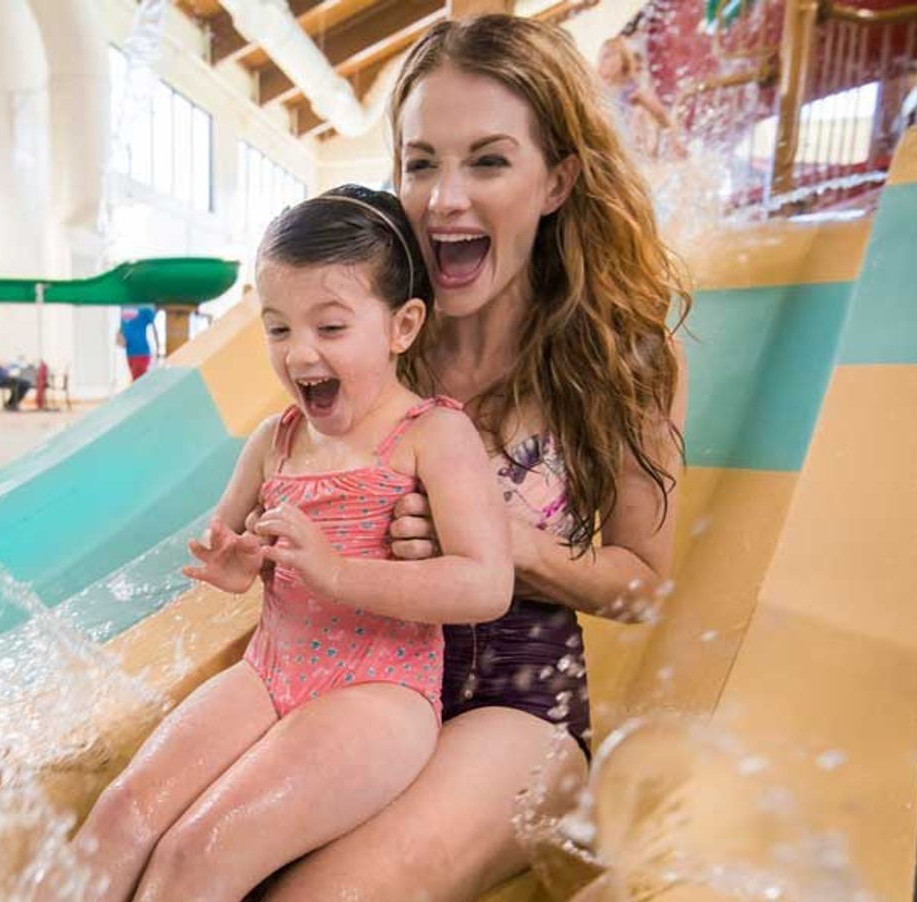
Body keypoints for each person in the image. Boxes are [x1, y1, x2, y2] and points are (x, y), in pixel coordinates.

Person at [262, 17, 690, 900]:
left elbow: (644, 588)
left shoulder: (624, 359)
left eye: (488, 162)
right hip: (363, 673)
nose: (444, 199)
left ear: (556, 180)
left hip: (517, 706)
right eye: (421, 163)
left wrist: (504, 543)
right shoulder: (366, 341)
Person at [55, 185, 514, 901]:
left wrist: (337, 572)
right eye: (277, 328)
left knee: (200, 850)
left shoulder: (432, 434)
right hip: (269, 672)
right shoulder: (276, 440)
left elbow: (486, 585)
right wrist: (232, 565)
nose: (299, 353)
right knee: (121, 816)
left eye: (329, 327)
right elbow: (230, 541)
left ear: (402, 326)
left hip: (379, 693)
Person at [597, 35, 684, 159]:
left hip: (636, 152)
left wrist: (674, 142)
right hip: (620, 152)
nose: (600, 63)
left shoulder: (633, 91)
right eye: (600, 58)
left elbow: (661, 115)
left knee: (638, 117)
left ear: (621, 61)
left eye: (606, 56)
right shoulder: (603, 92)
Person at [116, 305, 159, 381]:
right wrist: (119, 335)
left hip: (140, 352)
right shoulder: (125, 308)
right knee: (136, 379)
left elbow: (152, 316)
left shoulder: (144, 309)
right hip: (130, 353)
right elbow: (123, 328)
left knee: (139, 381)